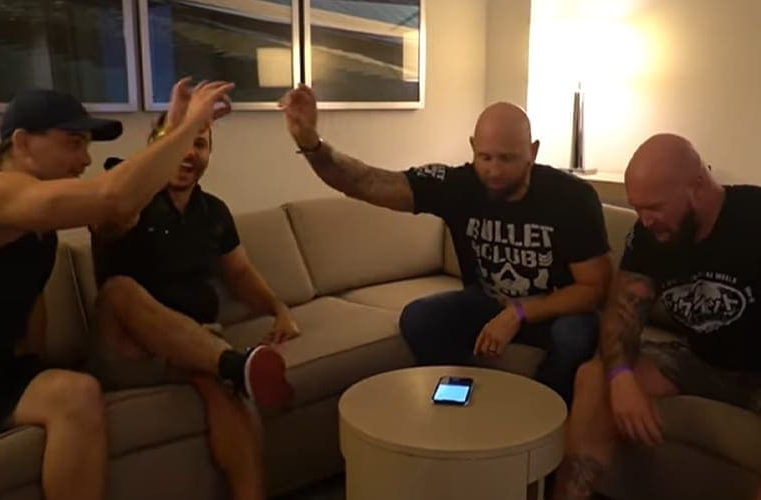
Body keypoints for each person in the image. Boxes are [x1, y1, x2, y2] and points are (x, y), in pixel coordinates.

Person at [0, 79, 238, 500]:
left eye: (88, 146)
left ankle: (232, 366)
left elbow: (30, 300)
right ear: (22, 143)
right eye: (74, 143)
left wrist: (170, 131)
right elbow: (113, 197)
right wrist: (190, 125)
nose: (86, 159)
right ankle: (233, 364)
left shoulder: (35, 219)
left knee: (78, 393)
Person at [278, 84, 612, 405]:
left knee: (574, 337)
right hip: (489, 302)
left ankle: (540, 418)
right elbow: (368, 182)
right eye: (485, 157)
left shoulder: (571, 197)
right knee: (419, 318)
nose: (494, 171)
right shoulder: (458, 185)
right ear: (472, 147)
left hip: (556, 310)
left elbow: (594, 289)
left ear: (533, 151)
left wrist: (519, 313)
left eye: (507, 159)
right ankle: (469, 398)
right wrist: (312, 145)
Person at [90, 107, 300, 499]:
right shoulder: (124, 196)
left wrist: (279, 309)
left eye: (199, 144)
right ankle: (232, 364)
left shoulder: (214, 212)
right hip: (128, 346)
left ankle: (232, 375)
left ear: (209, 154)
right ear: (156, 148)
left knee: (227, 393)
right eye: (177, 142)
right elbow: (109, 223)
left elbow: (240, 273)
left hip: (193, 343)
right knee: (119, 289)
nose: (188, 153)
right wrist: (136, 187)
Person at [552, 134, 761, 500]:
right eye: (637, 208)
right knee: (594, 376)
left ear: (698, 185)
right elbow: (621, 313)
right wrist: (620, 376)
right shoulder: (650, 234)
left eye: (655, 207)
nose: (645, 220)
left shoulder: (752, 218)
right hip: (701, 360)